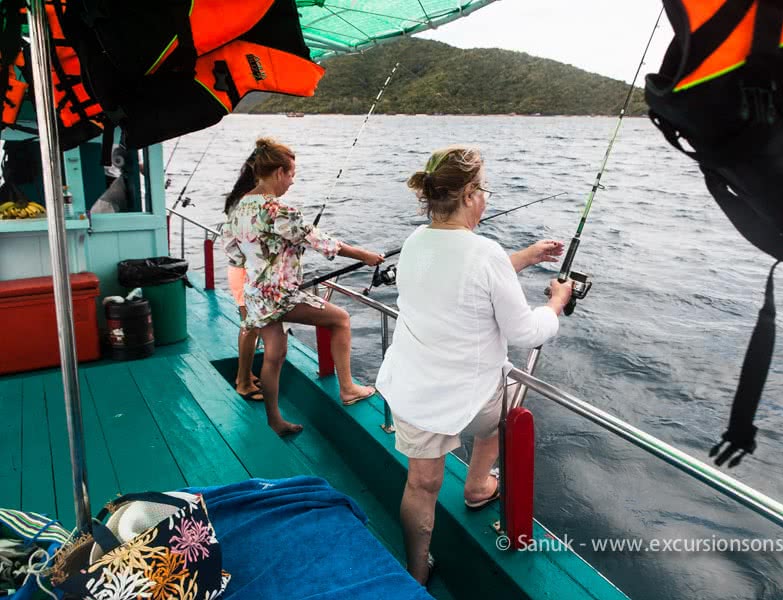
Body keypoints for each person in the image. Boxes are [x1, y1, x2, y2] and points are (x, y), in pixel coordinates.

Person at [375, 145, 573, 584]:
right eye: (481, 188)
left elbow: (463, 271)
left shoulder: (415, 241)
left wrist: (527, 255)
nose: (485, 196)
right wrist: (556, 305)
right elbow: (524, 331)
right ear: (467, 195)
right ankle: (478, 484)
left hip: (412, 390)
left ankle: (416, 570)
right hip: (473, 396)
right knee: (506, 407)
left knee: (421, 485)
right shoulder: (485, 254)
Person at [222, 137, 384, 436]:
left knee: (275, 354)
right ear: (278, 172)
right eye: (292, 174)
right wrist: (365, 255)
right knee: (341, 319)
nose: (292, 182)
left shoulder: (238, 207)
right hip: (281, 296)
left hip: (256, 294)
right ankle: (348, 388)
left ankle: (275, 420)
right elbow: (322, 243)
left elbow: (233, 253)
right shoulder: (278, 211)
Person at [226, 263, 262, 401]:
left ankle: (246, 375)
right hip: (246, 276)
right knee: (250, 327)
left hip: (243, 272)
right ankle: (243, 383)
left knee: (248, 327)